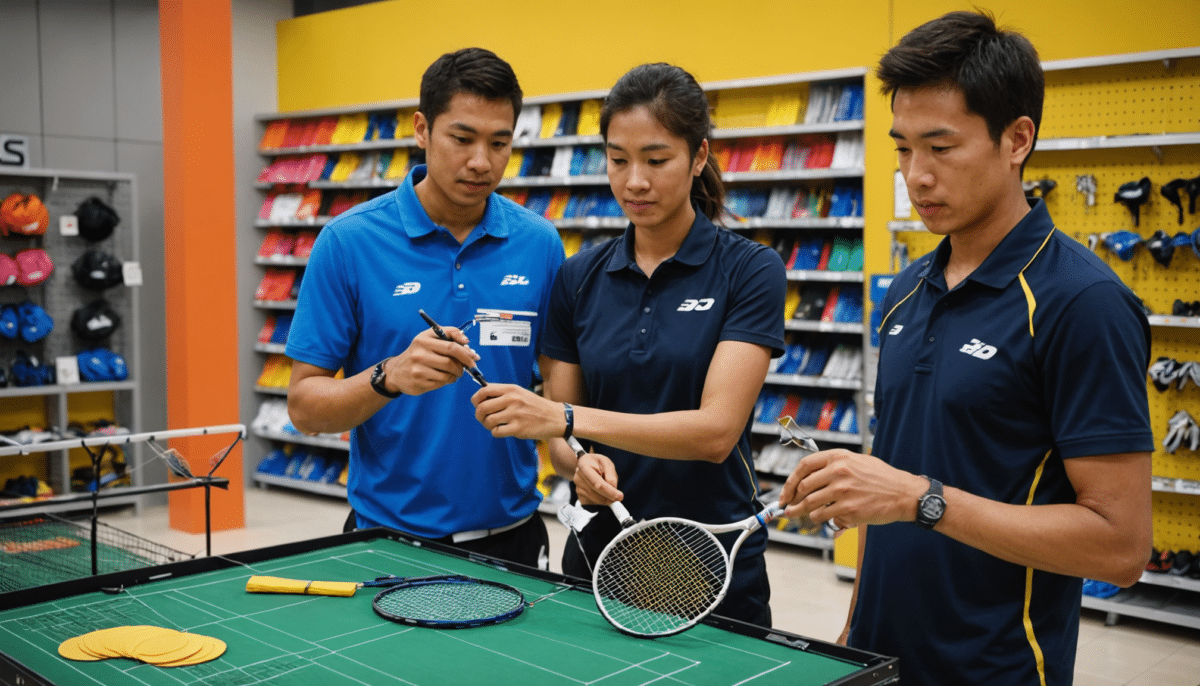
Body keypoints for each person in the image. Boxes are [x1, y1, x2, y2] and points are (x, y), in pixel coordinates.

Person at [778, 11, 1153, 685]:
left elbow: (1121, 547)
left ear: (1017, 140)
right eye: (902, 149)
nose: (916, 176)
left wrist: (922, 499)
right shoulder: (902, 289)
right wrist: (857, 624)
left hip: (996, 669)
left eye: (941, 148)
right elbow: (891, 476)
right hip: (881, 659)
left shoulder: (1082, 303)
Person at [471, 63, 788, 627]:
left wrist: (564, 419)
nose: (634, 181)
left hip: (712, 554)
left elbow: (716, 432)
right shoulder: (577, 277)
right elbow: (563, 447)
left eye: (656, 159)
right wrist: (581, 464)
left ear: (698, 158)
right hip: (598, 556)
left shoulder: (750, 270)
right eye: (618, 160)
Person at [286, 47, 565, 568]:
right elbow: (304, 409)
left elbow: (561, 387)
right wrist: (388, 376)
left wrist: (581, 456)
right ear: (422, 129)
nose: (481, 162)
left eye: (499, 143)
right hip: (387, 544)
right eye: (462, 139)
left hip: (518, 538)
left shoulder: (541, 243)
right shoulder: (348, 242)